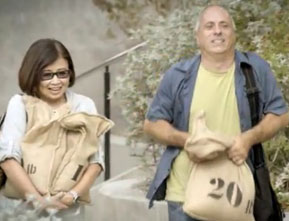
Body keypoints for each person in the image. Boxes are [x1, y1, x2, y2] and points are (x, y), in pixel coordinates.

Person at [143, 5, 289, 221]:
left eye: (224, 25)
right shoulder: (178, 75)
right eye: (209, 26)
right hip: (185, 194)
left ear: (234, 33)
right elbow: (152, 123)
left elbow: (280, 114)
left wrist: (248, 139)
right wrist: (188, 140)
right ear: (198, 36)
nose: (217, 31)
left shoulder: (254, 68)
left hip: (237, 194)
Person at [0, 38, 110, 220]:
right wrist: (39, 201)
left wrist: (72, 195)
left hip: (68, 210)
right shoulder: (20, 105)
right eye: (47, 75)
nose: (56, 81)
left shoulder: (83, 105)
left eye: (62, 73)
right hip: (22, 210)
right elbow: (8, 159)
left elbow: (96, 162)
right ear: (33, 74)